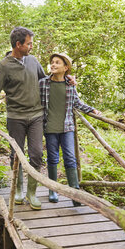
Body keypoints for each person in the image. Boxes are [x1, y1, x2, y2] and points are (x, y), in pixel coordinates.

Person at [0, 27, 45, 210]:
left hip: (36, 115)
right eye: (29, 43)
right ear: (18, 45)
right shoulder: (4, 66)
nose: (31, 46)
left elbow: (45, 81)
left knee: (36, 153)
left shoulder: (34, 61)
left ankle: (32, 192)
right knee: (16, 154)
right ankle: (18, 189)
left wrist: (67, 80)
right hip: (16, 117)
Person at [39, 53, 101, 206]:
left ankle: (75, 192)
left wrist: (92, 110)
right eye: (52, 62)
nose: (53, 65)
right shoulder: (43, 83)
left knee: (70, 158)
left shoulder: (69, 85)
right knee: (52, 159)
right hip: (50, 127)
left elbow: (77, 103)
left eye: (57, 63)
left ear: (65, 67)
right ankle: (53, 190)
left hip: (67, 127)